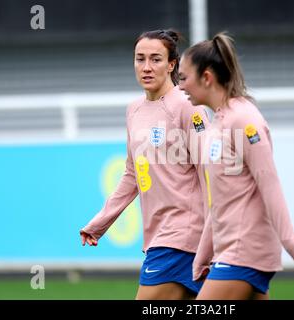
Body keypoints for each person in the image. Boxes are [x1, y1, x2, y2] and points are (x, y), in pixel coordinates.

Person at [178, 32, 294, 300]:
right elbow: (216, 201)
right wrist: (203, 255)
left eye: (184, 78)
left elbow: (270, 186)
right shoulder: (214, 126)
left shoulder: (245, 120)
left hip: (245, 253)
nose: (180, 86)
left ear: (207, 77)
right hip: (230, 252)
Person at [80, 29, 210, 300]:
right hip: (159, 235)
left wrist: (216, 232)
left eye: (156, 59)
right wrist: (101, 222)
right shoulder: (134, 111)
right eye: (140, 59)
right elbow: (132, 174)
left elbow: (209, 171)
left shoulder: (187, 107)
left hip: (184, 235)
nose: (147, 67)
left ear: (172, 64)